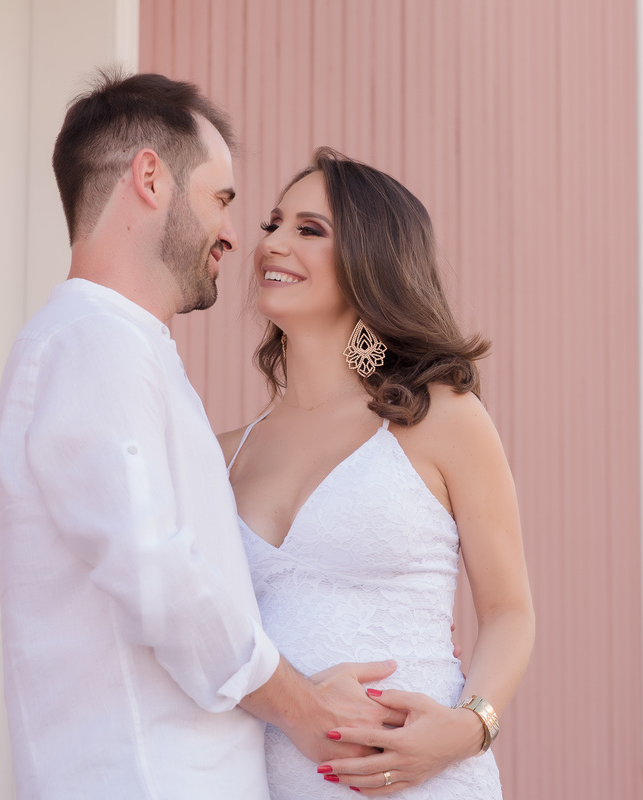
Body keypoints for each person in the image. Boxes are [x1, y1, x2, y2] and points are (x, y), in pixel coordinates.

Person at [0, 73, 401, 800]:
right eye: (222, 199)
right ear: (150, 178)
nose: (238, 236)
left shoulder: (126, 350)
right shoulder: (93, 343)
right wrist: (306, 712)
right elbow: (160, 576)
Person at [220, 148, 536, 798]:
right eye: (272, 224)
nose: (273, 243)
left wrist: (468, 726)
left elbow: (509, 612)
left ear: (371, 259)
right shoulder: (224, 452)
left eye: (309, 230)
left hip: (427, 783)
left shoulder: (442, 418)